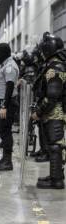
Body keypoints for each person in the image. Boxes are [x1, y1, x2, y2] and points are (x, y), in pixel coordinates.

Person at [32, 32, 65, 189]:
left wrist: (38, 111)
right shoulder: (52, 66)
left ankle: (56, 180)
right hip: (52, 111)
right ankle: (55, 176)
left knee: (55, 146)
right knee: (53, 145)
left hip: (55, 112)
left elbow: (52, 96)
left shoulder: (55, 68)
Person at [0, 43, 19, 171]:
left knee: (6, 131)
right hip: (0, 102)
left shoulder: (9, 66)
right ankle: (4, 158)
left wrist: (4, 106)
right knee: (2, 131)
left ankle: (8, 161)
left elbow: (10, 87)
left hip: (5, 103)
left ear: (5, 53)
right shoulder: (3, 65)